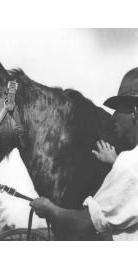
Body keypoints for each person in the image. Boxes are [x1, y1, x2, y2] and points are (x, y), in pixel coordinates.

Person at [30, 67, 138, 240]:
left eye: (118, 109)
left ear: (135, 111)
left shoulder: (131, 164)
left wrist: (49, 208)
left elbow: (85, 224)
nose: (114, 117)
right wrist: (116, 162)